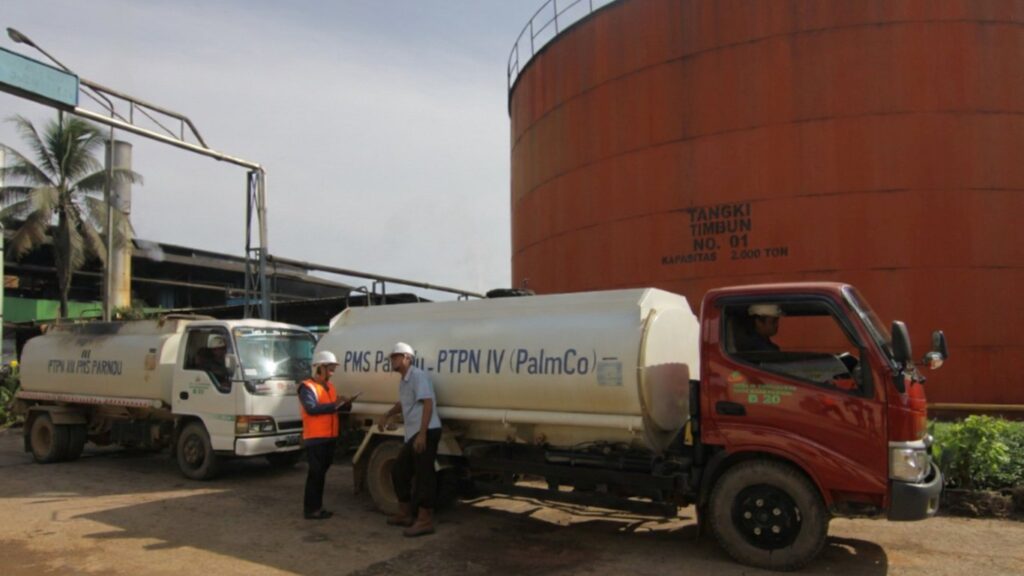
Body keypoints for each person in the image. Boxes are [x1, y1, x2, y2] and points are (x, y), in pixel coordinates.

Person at [377, 342, 442, 537]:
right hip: (414, 433)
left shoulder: (418, 376)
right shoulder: (404, 381)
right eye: (392, 357)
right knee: (399, 471)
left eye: (395, 357)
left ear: (407, 358)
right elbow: (404, 403)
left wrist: (422, 434)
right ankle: (405, 513)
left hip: (426, 430)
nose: (392, 360)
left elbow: (428, 403)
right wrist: (388, 414)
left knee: (424, 475)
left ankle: (425, 521)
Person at [298, 350, 353, 520]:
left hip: (329, 437)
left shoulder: (330, 387)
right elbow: (311, 408)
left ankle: (317, 507)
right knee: (316, 474)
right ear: (319, 368)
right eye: (330, 368)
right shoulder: (307, 387)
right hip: (315, 438)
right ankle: (311, 510)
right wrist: (334, 405)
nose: (332, 372)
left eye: (333, 368)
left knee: (320, 474)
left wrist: (345, 404)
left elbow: (333, 408)